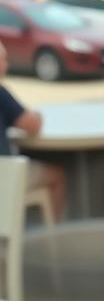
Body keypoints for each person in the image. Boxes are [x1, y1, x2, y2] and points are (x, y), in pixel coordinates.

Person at [0, 41, 66, 219]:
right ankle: (52, 241)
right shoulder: (1, 94)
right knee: (57, 176)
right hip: (5, 178)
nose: (7, 66)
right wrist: (37, 115)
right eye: (4, 60)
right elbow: (32, 125)